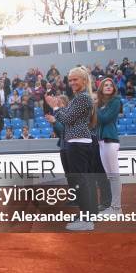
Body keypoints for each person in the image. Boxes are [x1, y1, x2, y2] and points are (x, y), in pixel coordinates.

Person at [45, 66, 97, 231]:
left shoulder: (83, 98)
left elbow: (66, 118)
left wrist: (56, 108)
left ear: (84, 80)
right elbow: (67, 118)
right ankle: (84, 214)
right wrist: (59, 109)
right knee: (79, 180)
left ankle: (87, 220)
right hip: (75, 141)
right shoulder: (78, 98)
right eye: (71, 79)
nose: (72, 82)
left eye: (76, 79)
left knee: (81, 180)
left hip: (78, 142)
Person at [96, 78, 122, 214]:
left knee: (114, 174)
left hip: (110, 140)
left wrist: (95, 108)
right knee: (110, 175)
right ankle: (113, 207)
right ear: (101, 88)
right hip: (101, 141)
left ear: (113, 88)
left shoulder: (115, 101)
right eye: (105, 85)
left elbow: (105, 119)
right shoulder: (100, 104)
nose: (108, 87)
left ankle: (117, 208)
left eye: (110, 85)